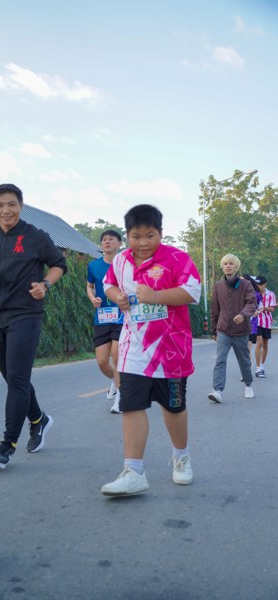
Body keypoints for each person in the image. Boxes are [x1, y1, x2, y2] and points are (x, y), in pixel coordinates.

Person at [100, 204, 201, 497]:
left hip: (170, 350)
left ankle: (181, 457)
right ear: (127, 236)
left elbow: (192, 292)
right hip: (133, 348)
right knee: (131, 405)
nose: (143, 243)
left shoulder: (177, 258)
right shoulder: (120, 261)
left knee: (173, 407)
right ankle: (133, 472)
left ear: (161, 233)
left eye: (150, 235)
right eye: (136, 236)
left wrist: (156, 295)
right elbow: (108, 285)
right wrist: (117, 296)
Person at [0, 183, 66, 470]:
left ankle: (7, 445)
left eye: (11, 204)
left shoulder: (36, 236)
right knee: (12, 377)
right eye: (0, 205)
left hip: (26, 314)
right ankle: (39, 419)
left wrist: (45, 284)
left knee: (16, 378)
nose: (6, 210)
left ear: (21, 206)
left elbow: (59, 264)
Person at [208, 255, 257, 404]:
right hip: (223, 330)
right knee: (220, 360)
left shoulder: (246, 284)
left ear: (236, 266)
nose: (228, 266)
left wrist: (243, 315)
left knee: (244, 360)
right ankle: (217, 391)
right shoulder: (218, 286)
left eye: (231, 263)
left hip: (241, 330)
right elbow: (214, 309)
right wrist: (214, 330)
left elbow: (252, 303)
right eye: (225, 264)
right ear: (222, 267)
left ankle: (248, 385)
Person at [87, 230, 123, 414]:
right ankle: (116, 381)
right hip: (102, 317)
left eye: (111, 239)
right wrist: (92, 298)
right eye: (104, 240)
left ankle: (121, 398)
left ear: (119, 243)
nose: (107, 242)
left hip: (122, 316)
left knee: (117, 356)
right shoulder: (93, 265)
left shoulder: (125, 264)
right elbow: (90, 286)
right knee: (102, 362)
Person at [253, 275, 276, 378]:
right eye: (257, 284)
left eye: (260, 284)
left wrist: (263, 308)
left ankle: (262, 366)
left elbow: (272, 309)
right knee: (259, 342)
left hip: (266, 322)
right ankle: (258, 368)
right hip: (256, 321)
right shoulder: (254, 293)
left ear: (265, 284)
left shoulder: (271, 294)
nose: (259, 286)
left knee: (265, 345)